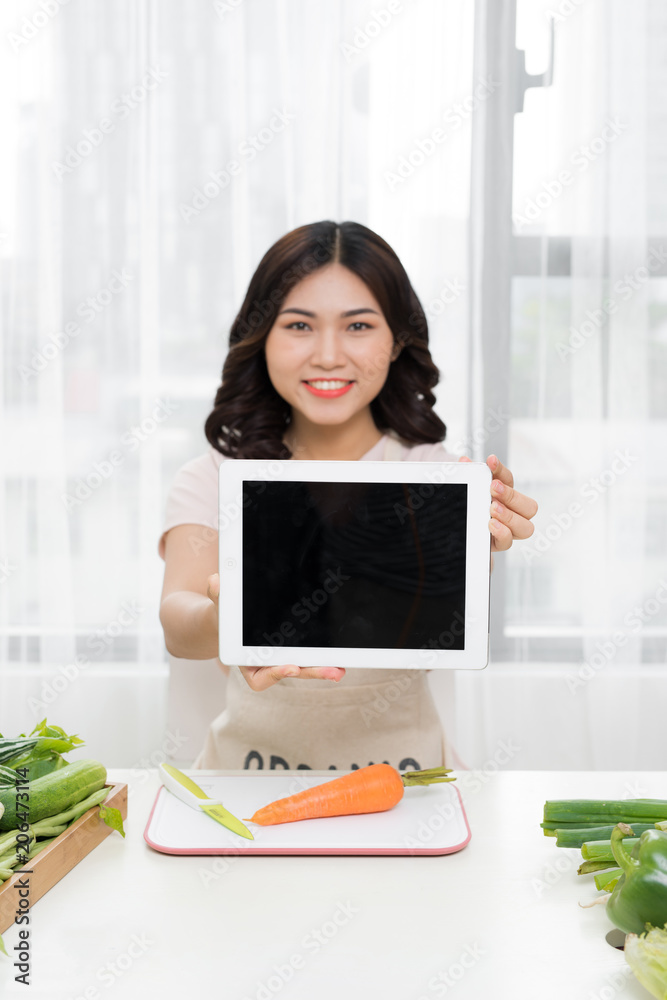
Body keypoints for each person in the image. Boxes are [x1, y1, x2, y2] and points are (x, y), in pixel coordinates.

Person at [158, 220, 538, 772]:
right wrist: (226, 618)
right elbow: (177, 618)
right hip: (249, 781)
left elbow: (443, 618)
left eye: (358, 325)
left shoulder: (434, 475)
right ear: (262, 336)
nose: (329, 355)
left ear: (397, 338)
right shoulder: (215, 474)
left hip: (407, 784)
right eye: (299, 326)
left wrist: (484, 544)